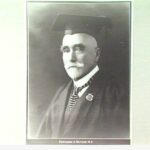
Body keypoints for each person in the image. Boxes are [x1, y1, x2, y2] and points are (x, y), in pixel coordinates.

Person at [36, 14, 129, 138]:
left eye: (79, 49)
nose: (71, 58)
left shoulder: (116, 96)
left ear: (97, 54)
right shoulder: (61, 94)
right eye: (66, 50)